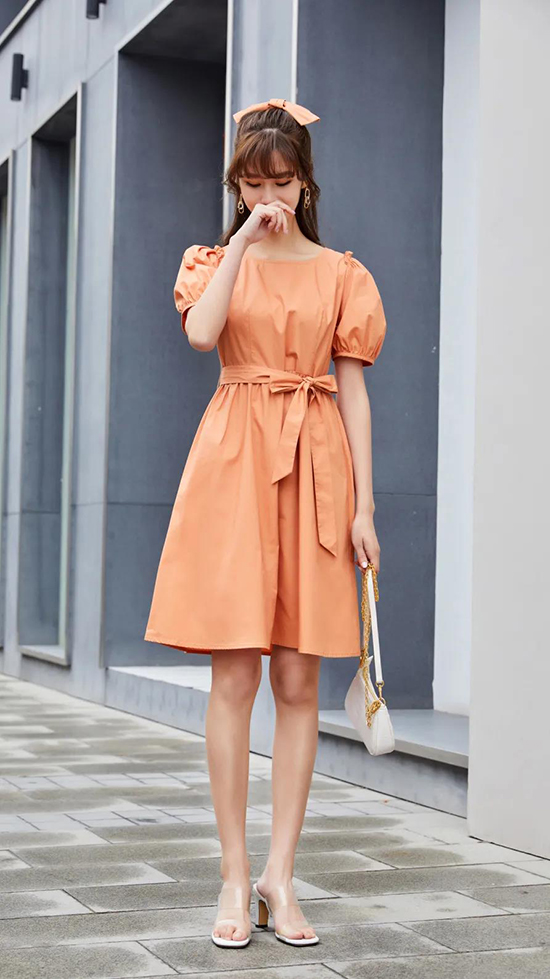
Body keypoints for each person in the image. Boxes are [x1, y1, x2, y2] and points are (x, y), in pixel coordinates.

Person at [144, 97, 387, 948]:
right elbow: (202, 335)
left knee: (297, 680)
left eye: (281, 181)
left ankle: (281, 876)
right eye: (252, 183)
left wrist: (364, 505)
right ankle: (232, 873)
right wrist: (245, 240)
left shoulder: (342, 274)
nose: (269, 196)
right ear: (236, 185)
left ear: (306, 181)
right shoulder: (214, 261)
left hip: (315, 465)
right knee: (233, 676)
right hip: (234, 463)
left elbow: (354, 393)